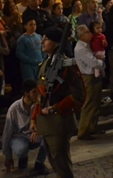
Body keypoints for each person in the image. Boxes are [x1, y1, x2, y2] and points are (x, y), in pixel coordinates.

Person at [32, 26, 85, 178]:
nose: (42, 41)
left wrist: (56, 108)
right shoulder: (44, 65)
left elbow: (78, 95)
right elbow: (39, 97)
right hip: (46, 121)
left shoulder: (66, 65)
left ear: (56, 43)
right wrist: (34, 117)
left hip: (59, 120)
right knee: (54, 162)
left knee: (61, 165)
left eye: (46, 38)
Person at [2, 79, 48, 175]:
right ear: (26, 93)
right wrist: (8, 156)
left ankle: (39, 163)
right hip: (19, 137)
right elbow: (7, 133)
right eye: (34, 92)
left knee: (49, 138)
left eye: (37, 91)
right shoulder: (14, 109)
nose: (37, 94)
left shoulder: (38, 104)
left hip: (34, 135)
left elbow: (44, 122)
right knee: (21, 149)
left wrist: (37, 130)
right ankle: (23, 158)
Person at [74, 25, 104, 140]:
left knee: (96, 102)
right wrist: (101, 62)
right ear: (81, 36)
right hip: (87, 76)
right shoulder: (80, 48)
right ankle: (83, 131)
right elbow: (93, 62)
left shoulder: (87, 46)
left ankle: (92, 127)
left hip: (94, 75)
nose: (90, 34)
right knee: (89, 104)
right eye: (87, 32)